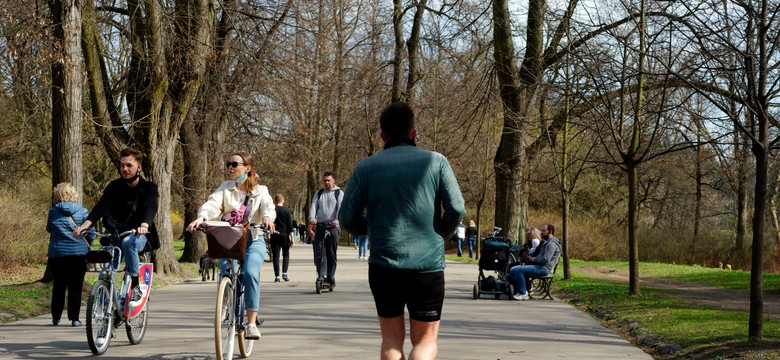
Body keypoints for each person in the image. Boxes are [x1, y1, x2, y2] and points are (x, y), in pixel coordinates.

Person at [340, 102, 465, 360]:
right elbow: (457, 207)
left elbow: (347, 219)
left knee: (391, 340)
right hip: (427, 265)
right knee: (426, 340)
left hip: (384, 264)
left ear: (382, 136)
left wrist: (373, 230)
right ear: (414, 133)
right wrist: (441, 233)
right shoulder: (437, 162)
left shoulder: (365, 168)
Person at [185, 151, 275, 339]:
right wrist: (202, 217)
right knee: (226, 271)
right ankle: (224, 301)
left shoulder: (261, 190)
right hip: (229, 239)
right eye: (229, 164)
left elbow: (268, 206)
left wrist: (267, 218)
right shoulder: (224, 188)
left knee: (250, 273)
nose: (230, 168)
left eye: (235, 164)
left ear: (247, 168)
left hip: (253, 239)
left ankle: (251, 323)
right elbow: (213, 204)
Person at [74, 147, 159, 309]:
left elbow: (151, 207)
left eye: (129, 165)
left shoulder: (149, 188)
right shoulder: (114, 187)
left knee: (129, 242)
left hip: (139, 235)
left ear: (138, 167)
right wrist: (84, 226)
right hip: (115, 234)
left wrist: (144, 224)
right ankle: (104, 299)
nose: (125, 169)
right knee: (106, 269)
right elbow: (100, 208)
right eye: (122, 166)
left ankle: (135, 287)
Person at [47, 182, 95, 327]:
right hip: (78, 253)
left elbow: (49, 229)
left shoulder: (53, 212)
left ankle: (56, 317)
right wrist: (87, 244)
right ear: (73, 194)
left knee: (59, 285)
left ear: (57, 195)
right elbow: (90, 232)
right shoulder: (83, 211)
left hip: (58, 253)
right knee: (76, 286)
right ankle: (74, 318)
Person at [307, 171, 343, 288]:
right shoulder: (319, 193)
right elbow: (313, 205)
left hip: (333, 226)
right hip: (321, 226)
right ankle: (321, 275)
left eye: (329, 180)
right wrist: (312, 218)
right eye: (325, 180)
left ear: (333, 181)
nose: (326, 183)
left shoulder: (338, 193)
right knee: (319, 252)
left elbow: (341, 208)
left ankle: (330, 274)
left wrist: (337, 220)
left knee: (330, 252)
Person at [508, 224, 561, 301]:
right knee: (513, 268)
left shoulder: (551, 244)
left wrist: (533, 259)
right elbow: (541, 256)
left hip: (543, 269)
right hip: (540, 266)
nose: (541, 233)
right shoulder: (547, 242)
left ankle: (523, 293)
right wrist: (532, 258)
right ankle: (519, 291)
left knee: (517, 270)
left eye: (544, 231)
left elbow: (545, 259)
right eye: (541, 230)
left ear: (550, 231)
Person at [271, 194, 294, 282]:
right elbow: (290, 225)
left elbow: (269, 224)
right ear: (283, 201)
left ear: (274, 201)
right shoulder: (287, 211)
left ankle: (277, 276)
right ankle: (285, 272)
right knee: (286, 254)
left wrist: (267, 236)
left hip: (274, 234)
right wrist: (292, 238)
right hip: (284, 235)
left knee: (276, 256)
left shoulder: (272, 210)